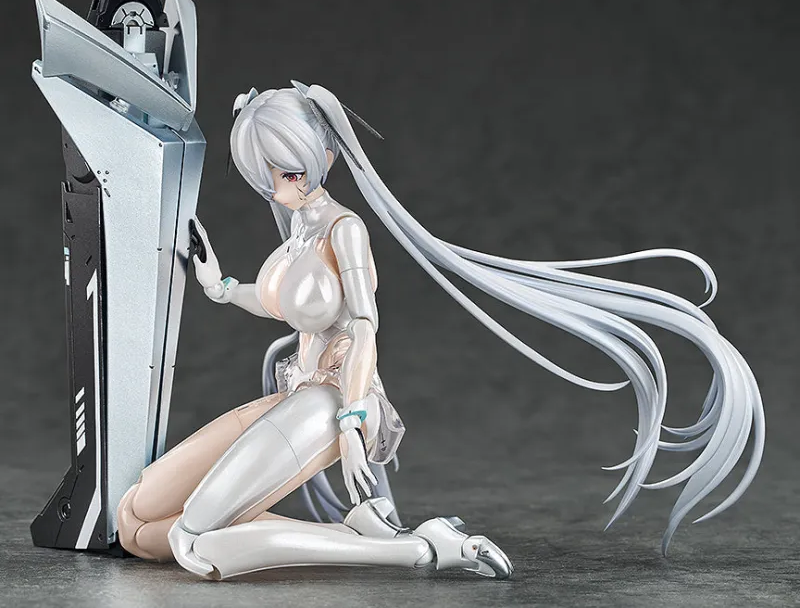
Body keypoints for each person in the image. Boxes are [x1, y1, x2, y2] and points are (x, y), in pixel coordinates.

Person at [117, 82, 762, 580]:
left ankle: (419, 551)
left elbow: (363, 326)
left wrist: (352, 427)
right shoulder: (297, 232)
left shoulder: (344, 229)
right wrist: (221, 286)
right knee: (137, 523)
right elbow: (281, 302)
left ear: (322, 158)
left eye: (289, 171)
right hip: (296, 397)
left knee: (193, 541)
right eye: (267, 176)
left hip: (332, 404)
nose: (281, 188)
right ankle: (360, 530)